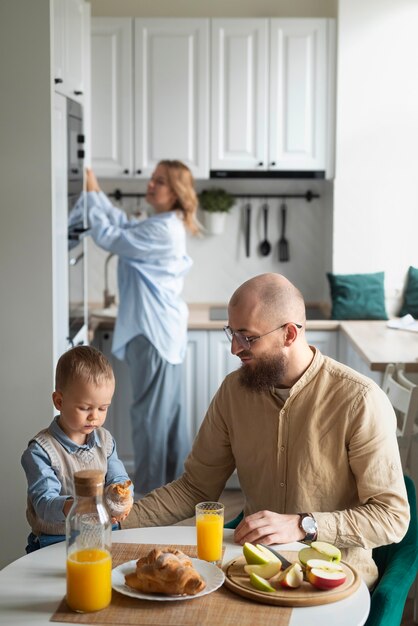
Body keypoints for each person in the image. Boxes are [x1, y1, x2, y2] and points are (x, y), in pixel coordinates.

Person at [119, 273, 410, 588]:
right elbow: (195, 488)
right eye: (231, 333)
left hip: (333, 581)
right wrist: (115, 523)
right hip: (253, 573)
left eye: (247, 336)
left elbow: (391, 517)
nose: (234, 348)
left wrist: (305, 525)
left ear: (288, 334)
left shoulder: (360, 400)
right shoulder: (233, 392)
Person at [81, 162, 199, 497]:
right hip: (161, 332)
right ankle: (173, 498)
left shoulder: (162, 230)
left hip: (153, 333)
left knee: (152, 425)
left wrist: (90, 190)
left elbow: (110, 237)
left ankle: (149, 503)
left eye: (159, 181)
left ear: (175, 192)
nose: (150, 185)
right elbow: (119, 224)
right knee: (168, 424)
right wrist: (95, 191)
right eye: (152, 178)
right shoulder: (162, 223)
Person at [21, 346, 133, 553]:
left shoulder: (105, 441)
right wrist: (83, 505)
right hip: (54, 541)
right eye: (85, 408)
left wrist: (121, 499)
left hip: (101, 534)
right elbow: (44, 504)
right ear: (59, 401)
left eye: (102, 408)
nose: (95, 417)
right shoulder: (40, 452)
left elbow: (119, 479)